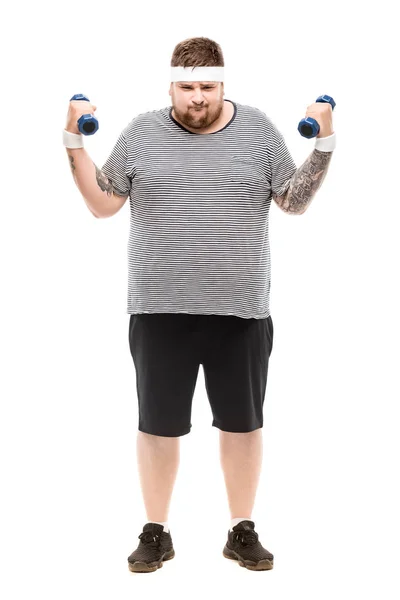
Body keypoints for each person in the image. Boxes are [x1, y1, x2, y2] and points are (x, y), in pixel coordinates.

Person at [63, 36, 336, 573]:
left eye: (206, 87)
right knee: (158, 425)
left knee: (243, 423)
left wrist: (323, 143)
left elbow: (293, 201)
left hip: (241, 311)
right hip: (160, 307)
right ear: (170, 85)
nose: (196, 98)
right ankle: (156, 531)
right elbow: (103, 205)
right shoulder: (142, 131)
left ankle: (241, 529)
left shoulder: (256, 129)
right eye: (186, 86)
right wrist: (74, 139)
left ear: (222, 84)